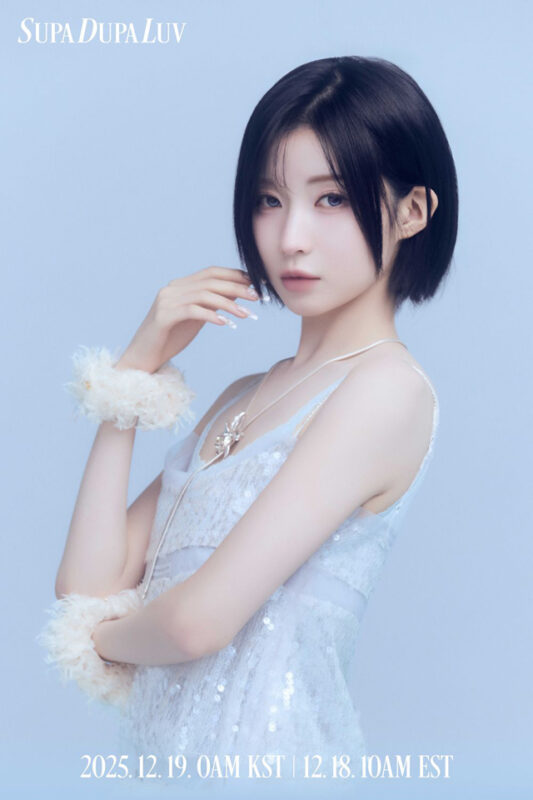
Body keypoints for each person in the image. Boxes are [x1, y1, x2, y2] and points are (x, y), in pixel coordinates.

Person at [41, 55, 458, 791]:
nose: (290, 236)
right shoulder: (242, 395)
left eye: (331, 199)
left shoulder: (387, 390)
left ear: (411, 212)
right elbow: (86, 584)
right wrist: (134, 374)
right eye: (269, 199)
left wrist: (98, 643)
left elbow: (198, 623)